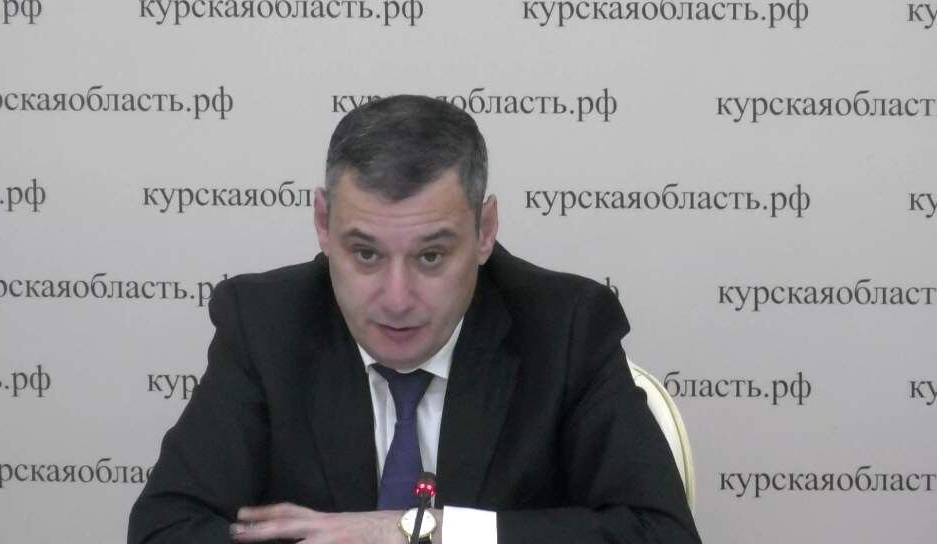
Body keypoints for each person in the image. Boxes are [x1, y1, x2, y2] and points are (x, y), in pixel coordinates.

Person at [128, 95, 701, 544]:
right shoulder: (266, 324)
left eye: (431, 256)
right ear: (323, 224)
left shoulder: (565, 327)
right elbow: (164, 530)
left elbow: (660, 533)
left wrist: (422, 531)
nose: (396, 299)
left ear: (485, 231)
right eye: (366, 254)